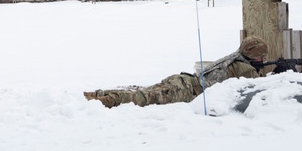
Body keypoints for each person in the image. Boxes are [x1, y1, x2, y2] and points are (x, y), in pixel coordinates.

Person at [84, 36, 268, 108]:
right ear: (255, 56)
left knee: (141, 93)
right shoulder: (245, 68)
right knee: (140, 99)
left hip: (183, 80)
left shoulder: (233, 59)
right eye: (262, 56)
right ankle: (105, 101)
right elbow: (263, 88)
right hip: (186, 90)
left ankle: (98, 94)